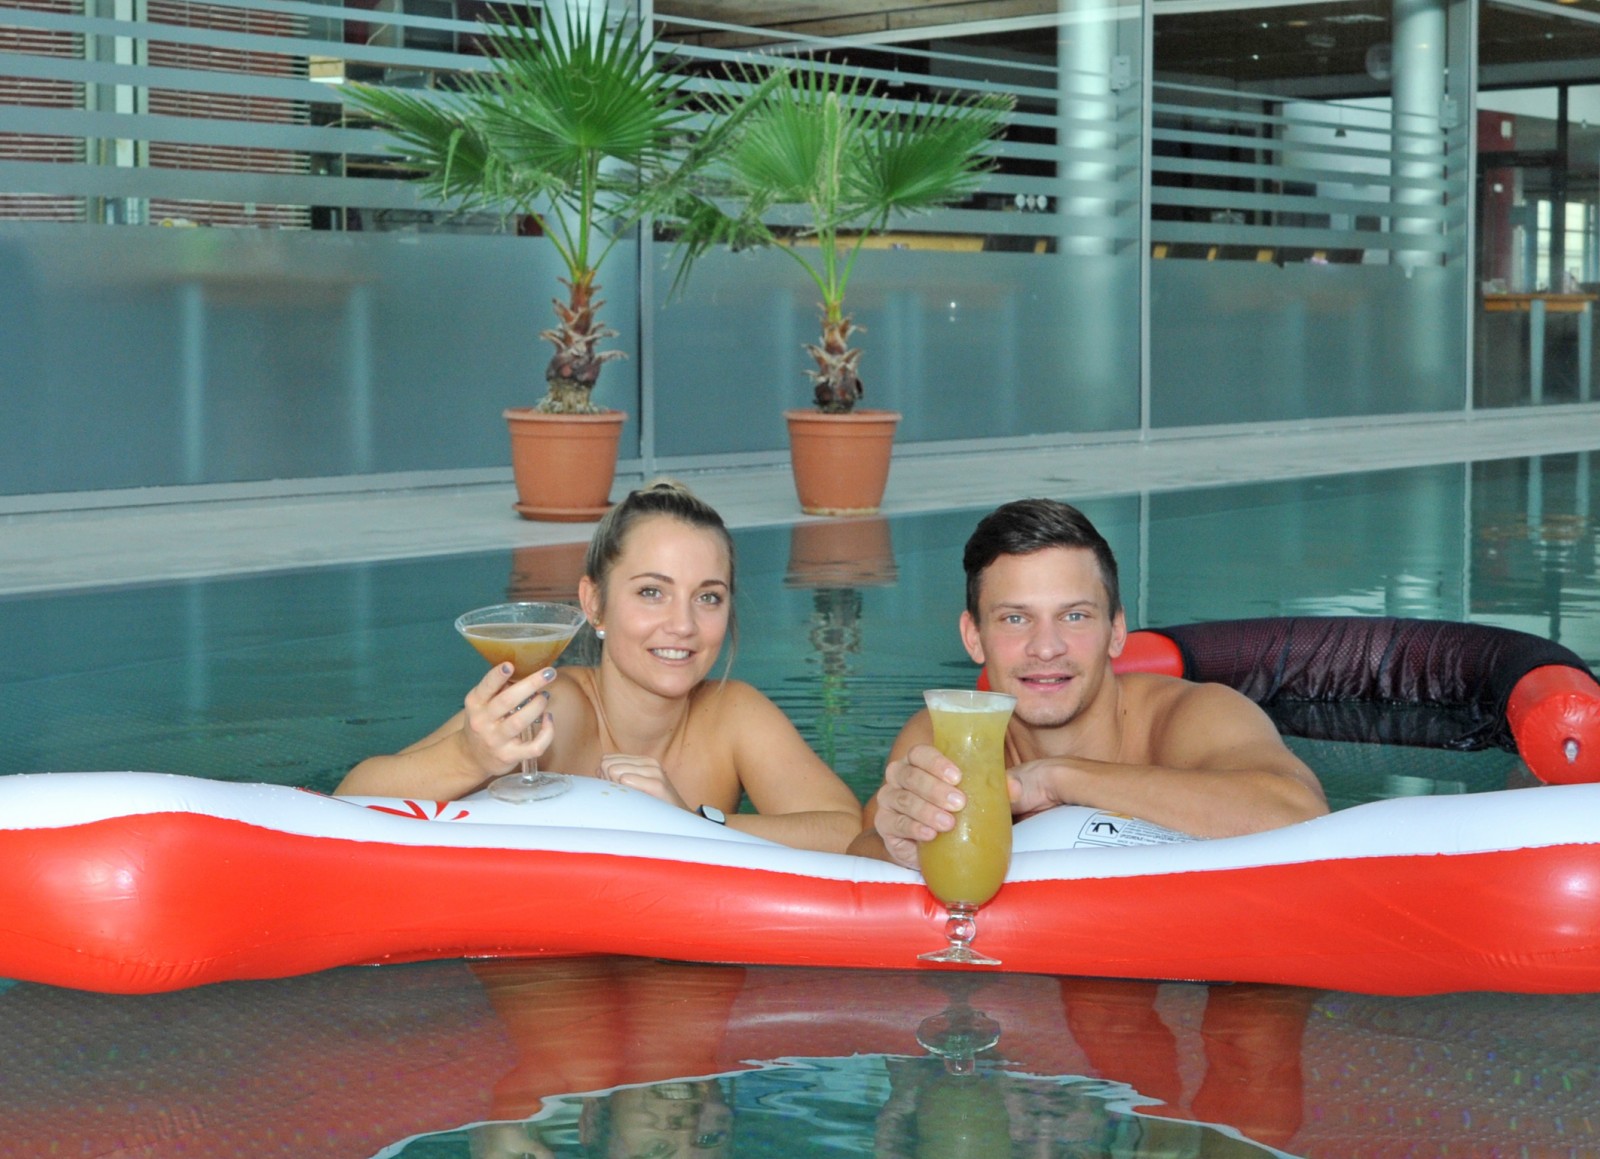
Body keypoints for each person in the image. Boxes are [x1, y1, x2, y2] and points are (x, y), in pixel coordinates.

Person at [338, 480, 862, 853]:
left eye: (708, 597)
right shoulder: (555, 712)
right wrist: (469, 756)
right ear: (594, 605)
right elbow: (347, 804)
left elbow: (849, 834)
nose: (683, 625)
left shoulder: (733, 714)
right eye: (652, 592)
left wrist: (693, 821)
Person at [848, 498, 1327, 867]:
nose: (1046, 648)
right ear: (974, 637)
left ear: (1116, 631)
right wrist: (901, 850)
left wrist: (1058, 780)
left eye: (1074, 616)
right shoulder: (945, 735)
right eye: (1015, 619)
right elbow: (860, 850)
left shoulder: (1193, 716)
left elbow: (1300, 816)